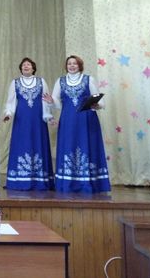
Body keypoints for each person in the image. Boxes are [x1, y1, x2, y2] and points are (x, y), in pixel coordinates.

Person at [47, 55, 110, 193]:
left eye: (74, 63)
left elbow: (99, 100)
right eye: (69, 63)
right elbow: (56, 101)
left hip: (87, 120)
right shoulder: (60, 81)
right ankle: (68, 183)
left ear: (80, 65)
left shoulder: (88, 79)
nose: (71, 66)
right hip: (68, 120)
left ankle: (88, 183)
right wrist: (51, 101)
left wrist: (97, 105)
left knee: (87, 145)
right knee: (69, 145)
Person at [3, 57, 54, 190]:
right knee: (22, 144)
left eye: (29, 65)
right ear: (21, 68)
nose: (26, 66)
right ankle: (18, 180)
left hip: (38, 120)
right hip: (21, 120)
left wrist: (48, 116)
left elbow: (46, 100)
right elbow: (10, 102)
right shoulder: (15, 83)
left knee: (38, 143)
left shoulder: (41, 81)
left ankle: (40, 180)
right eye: (24, 65)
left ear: (33, 68)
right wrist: (8, 113)